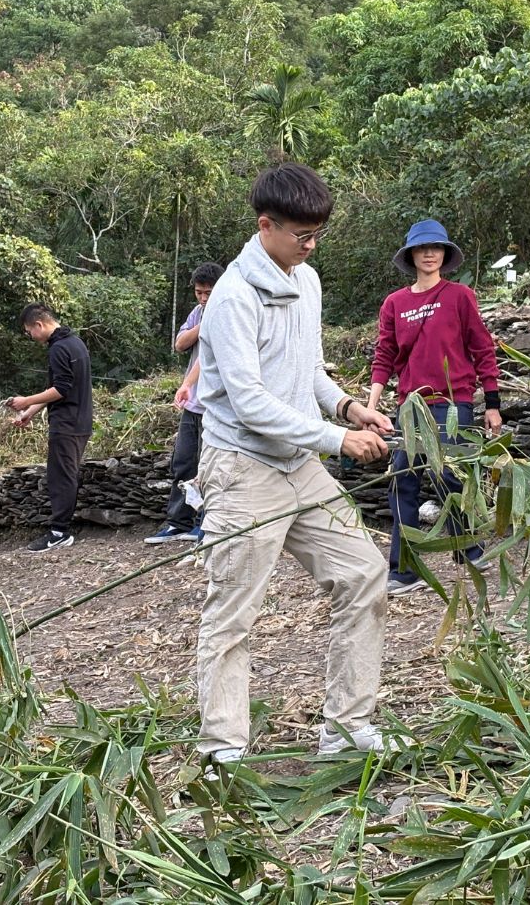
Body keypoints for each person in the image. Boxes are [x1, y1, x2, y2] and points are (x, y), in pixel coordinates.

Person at [193, 162, 396, 772]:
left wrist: (349, 407)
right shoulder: (232, 296)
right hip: (242, 468)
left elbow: (309, 371)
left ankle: (347, 727)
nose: (310, 246)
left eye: (317, 235)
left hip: (299, 463)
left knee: (364, 572)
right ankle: (223, 747)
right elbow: (251, 404)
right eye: (302, 235)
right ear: (266, 226)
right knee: (233, 611)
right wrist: (338, 439)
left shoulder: (306, 280)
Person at [367, 219, 503, 596]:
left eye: (437, 247)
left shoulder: (459, 296)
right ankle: (405, 570)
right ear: (411, 255)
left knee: (451, 478)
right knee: (402, 483)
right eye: (422, 248)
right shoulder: (395, 303)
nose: (430, 254)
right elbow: (384, 356)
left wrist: (492, 403)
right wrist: (370, 409)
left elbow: (482, 349)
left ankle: (468, 549)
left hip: (452, 403)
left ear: (445, 253)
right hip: (410, 407)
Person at [146, 262, 225, 546]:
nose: (203, 298)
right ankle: (178, 522)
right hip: (192, 406)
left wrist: (186, 384)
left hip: (215, 405)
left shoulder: (229, 312)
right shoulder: (198, 313)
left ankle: (206, 523)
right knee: (183, 463)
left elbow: (208, 359)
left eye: (208, 293)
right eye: (199, 292)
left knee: (209, 466)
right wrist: (204, 323)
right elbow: (180, 344)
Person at [10, 305, 93, 554]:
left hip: (66, 423)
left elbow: (62, 389)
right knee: (64, 474)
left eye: (29, 332)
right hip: (80, 421)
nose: (31, 337)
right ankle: (60, 530)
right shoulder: (75, 342)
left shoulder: (59, 348)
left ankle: (59, 532)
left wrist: (25, 400)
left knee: (61, 477)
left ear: (39, 325)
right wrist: (31, 411)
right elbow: (58, 388)